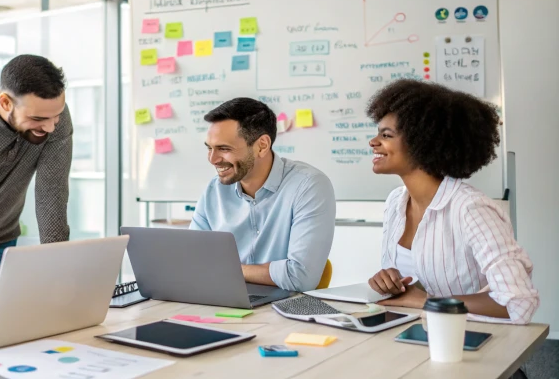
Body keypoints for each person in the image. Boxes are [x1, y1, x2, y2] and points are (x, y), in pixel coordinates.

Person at [366, 80, 539, 324]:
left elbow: (518, 303)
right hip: (413, 336)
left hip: (471, 344)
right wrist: (390, 282)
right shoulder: (396, 202)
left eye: (386, 135)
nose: (373, 142)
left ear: (421, 141)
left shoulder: (471, 209)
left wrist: (427, 301)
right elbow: (411, 289)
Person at [190, 98, 336, 291]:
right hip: (223, 299)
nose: (213, 159)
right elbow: (191, 263)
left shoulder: (308, 186)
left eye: (224, 149)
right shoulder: (214, 190)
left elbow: (300, 277)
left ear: (262, 145)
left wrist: (228, 270)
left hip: (285, 307)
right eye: (209, 148)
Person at [0, 55, 73, 270]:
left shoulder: (55, 117)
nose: (50, 128)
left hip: (0, 241)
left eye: (55, 117)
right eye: (37, 119)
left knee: (0, 303)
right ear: (5, 102)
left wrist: (57, 263)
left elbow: (52, 191)